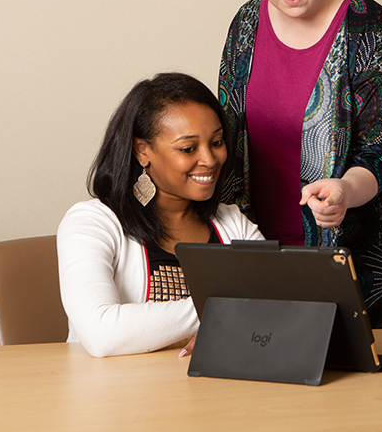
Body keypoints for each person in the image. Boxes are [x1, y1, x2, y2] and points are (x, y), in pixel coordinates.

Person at [218, 0, 382, 328]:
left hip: (350, 251)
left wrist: (344, 192)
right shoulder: (246, 25)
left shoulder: (375, 34)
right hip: (256, 241)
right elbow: (228, 131)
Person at [57, 73, 263, 358]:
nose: (210, 159)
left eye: (216, 142)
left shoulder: (233, 224)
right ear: (142, 151)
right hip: (113, 395)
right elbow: (101, 333)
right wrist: (224, 308)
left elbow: (279, 308)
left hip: (215, 393)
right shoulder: (91, 223)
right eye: (188, 148)